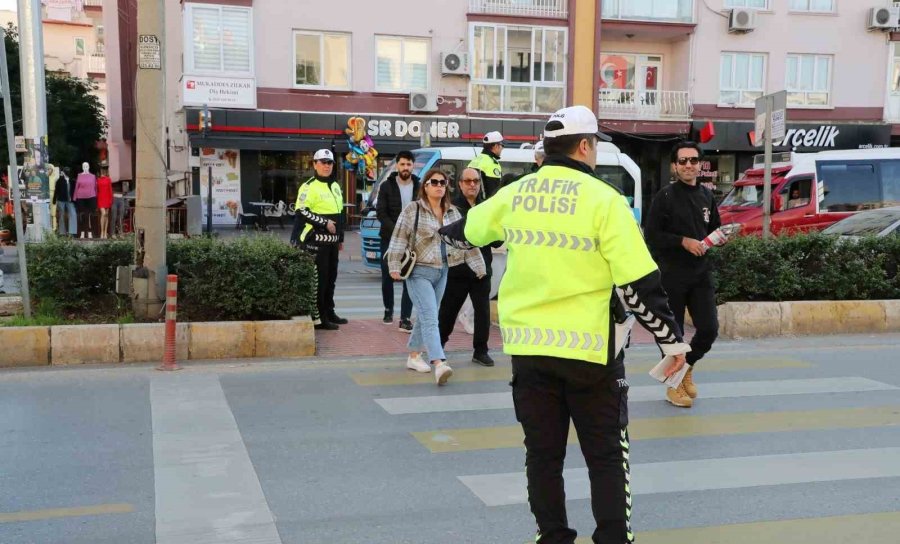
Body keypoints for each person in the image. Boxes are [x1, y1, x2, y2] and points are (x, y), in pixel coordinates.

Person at [440, 105, 689, 544]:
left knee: (542, 458)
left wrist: (449, 230)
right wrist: (672, 343)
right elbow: (637, 284)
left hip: (530, 354)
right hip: (591, 353)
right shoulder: (605, 201)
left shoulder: (516, 193)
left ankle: (553, 538)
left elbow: (467, 230)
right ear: (585, 146)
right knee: (607, 457)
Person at [387, 168, 485, 386]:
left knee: (425, 315)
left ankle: (413, 356)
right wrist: (393, 265)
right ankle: (439, 363)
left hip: (443, 271)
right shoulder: (413, 210)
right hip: (418, 271)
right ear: (425, 186)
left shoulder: (452, 213)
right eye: (435, 182)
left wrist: (478, 266)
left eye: (443, 182)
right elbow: (399, 236)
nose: (440, 185)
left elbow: (465, 240)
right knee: (431, 315)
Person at [644, 141, 721, 408]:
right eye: (683, 161)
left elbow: (714, 228)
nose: (689, 165)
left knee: (709, 329)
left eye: (693, 160)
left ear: (700, 164)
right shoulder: (665, 197)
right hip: (671, 276)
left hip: (701, 275)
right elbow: (652, 235)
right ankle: (673, 386)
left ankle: (686, 367)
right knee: (672, 335)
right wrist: (682, 241)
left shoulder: (707, 196)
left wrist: (718, 238)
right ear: (675, 166)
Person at [438, 168, 497, 367]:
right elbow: (450, 235)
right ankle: (438, 348)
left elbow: (496, 238)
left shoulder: (487, 206)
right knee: (448, 311)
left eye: (476, 181)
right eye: (468, 181)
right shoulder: (451, 207)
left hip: (482, 270)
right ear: (461, 184)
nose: (472, 184)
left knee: (482, 313)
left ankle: (481, 351)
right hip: (458, 269)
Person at [294, 149, 347, 331]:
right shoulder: (308, 186)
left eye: (329, 163)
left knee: (331, 278)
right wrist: (324, 222)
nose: (326, 166)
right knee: (321, 280)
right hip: (315, 241)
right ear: (315, 164)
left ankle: (329, 311)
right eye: (322, 162)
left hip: (332, 242)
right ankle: (320, 318)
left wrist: (340, 237)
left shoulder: (335, 186)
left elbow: (340, 213)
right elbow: (301, 211)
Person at [376, 150, 419, 332]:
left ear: (413, 166)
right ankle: (388, 309)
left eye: (408, 164)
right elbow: (381, 213)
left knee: (408, 275)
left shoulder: (419, 185)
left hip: (413, 240)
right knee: (388, 274)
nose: (405, 167)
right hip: (389, 237)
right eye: (402, 164)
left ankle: (405, 318)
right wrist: (398, 232)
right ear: (397, 166)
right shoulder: (387, 186)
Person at [468, 131, 503, 198]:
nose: (502, 148)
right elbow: (494, 191)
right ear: (496, 146)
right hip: (485, 204)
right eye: (502, 145)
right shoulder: (492, 163)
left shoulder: (476, 159)